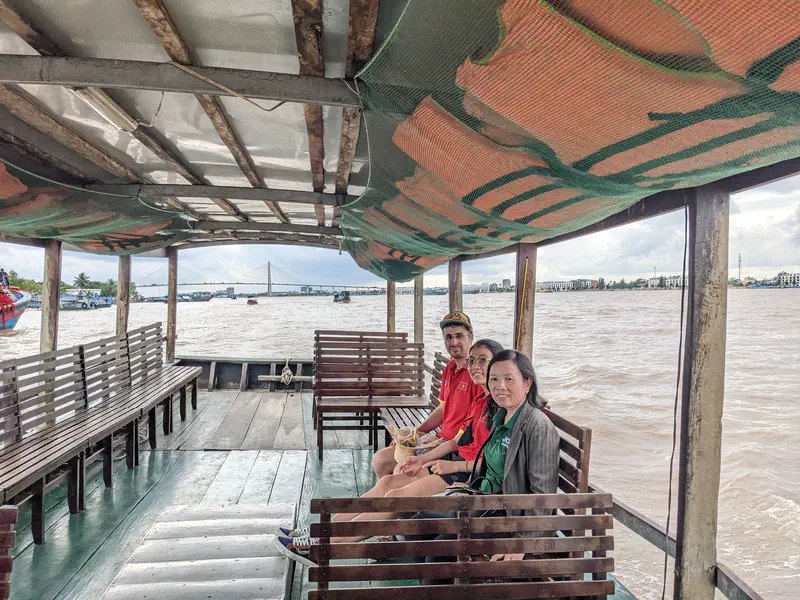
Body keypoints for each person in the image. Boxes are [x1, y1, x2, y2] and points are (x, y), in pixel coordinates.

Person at [274, 338, 503, 567]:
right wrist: (420, 459)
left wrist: (453, 466)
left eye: (483, 361)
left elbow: (495, 463)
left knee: (396, 499)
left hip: (467, 475)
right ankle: (323, 529)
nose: (475, 366)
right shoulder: (481, 401)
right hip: (454, 461)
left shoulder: (501, 408)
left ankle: (322, 547)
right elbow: (455, 441)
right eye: (472, 361)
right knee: (387, 484)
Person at [414, 349, 560, 581]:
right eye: (494, 379)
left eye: (509, 379)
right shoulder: (501, 415)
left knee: (437, 553)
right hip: (482, 496)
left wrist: (522, 540)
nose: (499, 386)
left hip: (509, 515)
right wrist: (459, 473)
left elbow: (543, 492)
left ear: (527, 383)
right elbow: (491, 464)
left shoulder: (537, 425)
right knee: (417, 526)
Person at [370, 311, 484, 478]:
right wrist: (414, 434)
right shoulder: (450, 368)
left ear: (470, 337)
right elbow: (443, 408)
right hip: (440, 437)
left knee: (400, 472)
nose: (454, 342)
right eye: (448, 337)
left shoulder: (477, 375)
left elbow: (473, 428)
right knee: (379, 459)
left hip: (456, 446)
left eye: (459, 336)